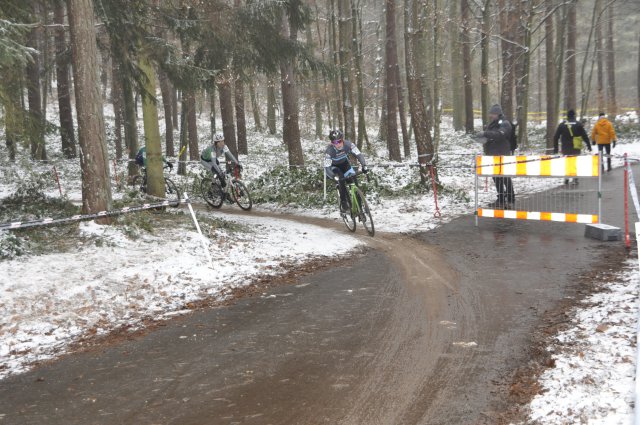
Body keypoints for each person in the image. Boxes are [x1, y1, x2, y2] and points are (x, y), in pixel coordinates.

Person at [473, 104, 515, 208]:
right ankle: (500, 199)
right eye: (490, 113)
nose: (491, 115)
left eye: (492, 113)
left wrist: (485, 134)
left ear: (497, 113)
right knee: (496, 178)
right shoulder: (492, 124)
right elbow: (491, 136)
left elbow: (500, 135)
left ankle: (510, 199)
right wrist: (482, 139)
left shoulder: (505, 124)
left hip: (502, 155)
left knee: (505, 177)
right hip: (492, 155)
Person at [324, 129, 368, 213]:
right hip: (334, 167)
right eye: (335, 142)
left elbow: (358, 154)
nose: (338, 144)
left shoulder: (349, 144)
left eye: (339, 141)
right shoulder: (329, 151)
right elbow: (327, 168)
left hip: (345, 164)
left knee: (354, 181)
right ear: (332, 143)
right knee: (341, 179)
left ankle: (360, 208)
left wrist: (364, 165)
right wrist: (333, 176)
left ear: (343, 139)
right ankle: (344, 204)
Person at [553, 109, 592, 184]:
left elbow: (556, 137)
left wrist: (556, 148)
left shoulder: (562, 125)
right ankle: (575, 178)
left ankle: (567, 178)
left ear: (567, 116)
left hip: (565, 147)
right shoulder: (578, 124)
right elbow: (585, 136)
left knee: (567, 161)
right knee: (575, 161)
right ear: (574, 115)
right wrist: (589, 146)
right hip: (576, 146)